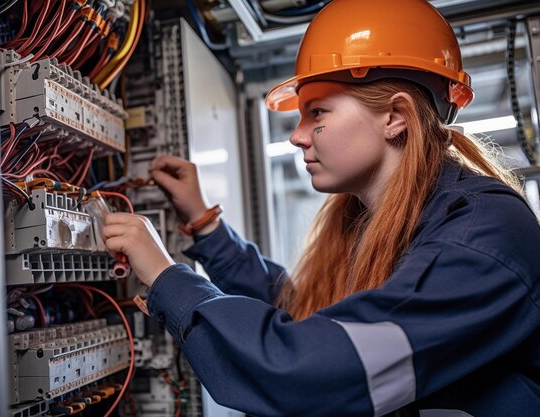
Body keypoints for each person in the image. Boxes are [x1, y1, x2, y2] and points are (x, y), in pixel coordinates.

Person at [102, 0, 540, 415]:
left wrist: (165, 276)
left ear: (395, 117)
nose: (297, 135)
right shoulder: (384, 221)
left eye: (317, 112)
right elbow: (305, 309)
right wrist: (206, 226)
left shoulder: (483, 235)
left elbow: (310, 370)